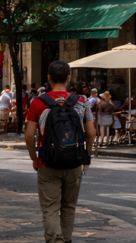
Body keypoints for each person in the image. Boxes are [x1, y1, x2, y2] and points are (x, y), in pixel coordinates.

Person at [25, 60, 96, 243]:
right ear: (68, 78)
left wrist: (34, 158)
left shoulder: (37, 103)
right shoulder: (81, 102)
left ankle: (55, 240)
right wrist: (86, 157)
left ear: (48, 78)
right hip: (74, 162)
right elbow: (91, 133)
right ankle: (66, 239)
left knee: (50, 208)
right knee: (69, 207)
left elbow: (29, 136)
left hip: (48, 162)